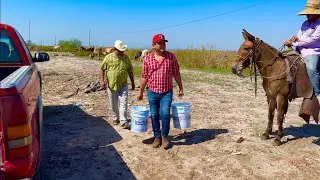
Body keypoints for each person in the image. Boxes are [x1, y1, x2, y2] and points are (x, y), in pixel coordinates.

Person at [137, 34, 184, 149]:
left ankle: (164, 137)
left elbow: (176, 73)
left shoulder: (171, 57)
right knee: (154, 115)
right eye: (160, 43)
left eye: (164, 43)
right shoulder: (147, 59)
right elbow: (144, 76)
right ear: (154, 45)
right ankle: (157, 137)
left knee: (165, 114)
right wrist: (140, 91)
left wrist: (180, 86)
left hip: (166, 92)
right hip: (152, 92)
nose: (163, 45)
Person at [284, 0, 320, 96]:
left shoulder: (319, 25)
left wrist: (296, 41)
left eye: (309, 13)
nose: (307, 15)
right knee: (283, 58)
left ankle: (317, 93)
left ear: (316, 13)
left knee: (312, 69)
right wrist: (292, 39)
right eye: (307, 12)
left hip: (312, 51)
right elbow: (299, 35)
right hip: (299, 49)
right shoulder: (305, 23)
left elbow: (312, 40)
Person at [99, 40, 135, 129]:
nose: (122, 52)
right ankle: (115, 118)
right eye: (120, 50)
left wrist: (133, 83)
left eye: (123, 50)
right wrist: (102, 81)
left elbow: (130, 71)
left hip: (123, 85)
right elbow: (101, 69)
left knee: (124, 102)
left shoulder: (126, 58)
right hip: (111, 85)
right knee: (113, 103)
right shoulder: (108, 58)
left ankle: (123, 120)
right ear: (115, 49)